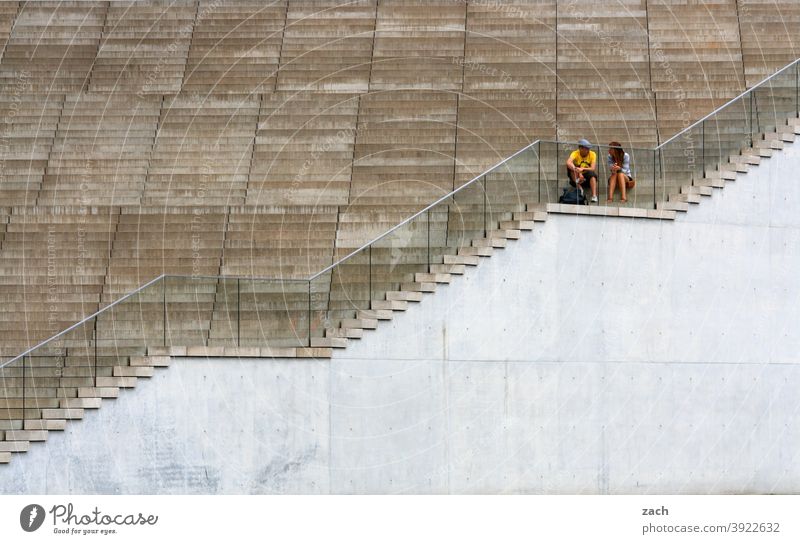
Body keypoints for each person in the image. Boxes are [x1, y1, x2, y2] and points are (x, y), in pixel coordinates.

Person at [566, 138, 599, 203]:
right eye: (586, 148)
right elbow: (568, 162)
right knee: (570, 168)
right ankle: (580, 189)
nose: (588, 150)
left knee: (592, 175)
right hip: (576, 175)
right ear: (580, 148)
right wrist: (577, 170)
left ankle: (594, 196)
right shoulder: (575, 153)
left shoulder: (592, 154)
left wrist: (582, 169)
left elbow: (592, 168)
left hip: (587, 173)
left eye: (589, 148)